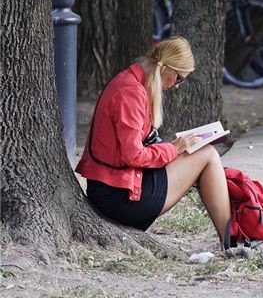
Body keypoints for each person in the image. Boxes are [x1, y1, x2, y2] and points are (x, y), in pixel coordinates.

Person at [75, 36, 234, 249]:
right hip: (117, 197)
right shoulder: (131, 93)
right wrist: (173, 149)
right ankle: (231, 241)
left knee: (204, 153)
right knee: (208, 155)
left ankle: (230, 237)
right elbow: (132, 155)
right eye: (179, 79)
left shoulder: (131, 82)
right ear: (165, 68)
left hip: (116, 185)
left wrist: (172, 149)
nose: (176, 86)